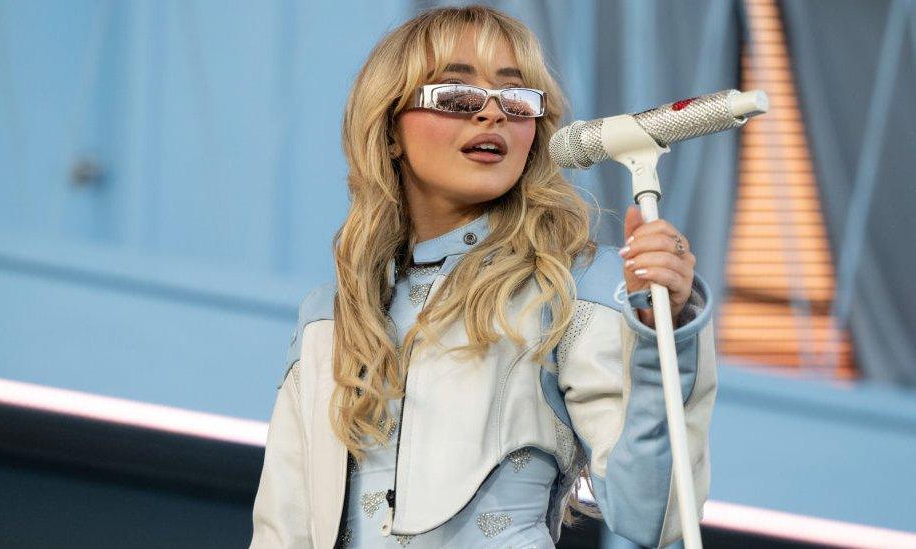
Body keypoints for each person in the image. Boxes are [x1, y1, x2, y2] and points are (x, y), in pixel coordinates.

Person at [250, 5, 716, 549]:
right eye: (456, 94)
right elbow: (283, 530)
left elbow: (654, 516)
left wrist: (667, 329)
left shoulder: (577, 288)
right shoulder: (328, 317)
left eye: (515, 97)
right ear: (389, 128)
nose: (492, 114)